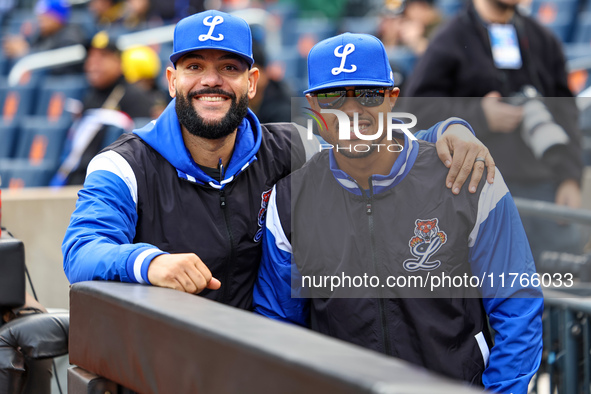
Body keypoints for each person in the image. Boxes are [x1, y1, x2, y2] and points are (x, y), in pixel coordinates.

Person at [62, 10, 495, 311]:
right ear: (172, 78)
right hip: (163, 367)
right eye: (195, 66)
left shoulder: (291, 147)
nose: (211, 80)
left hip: (257, 361)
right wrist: (149, 262)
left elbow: (368, 148)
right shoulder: (124, 164)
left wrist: (443, 132)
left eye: (229, 68)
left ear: (252, 83)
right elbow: (80, 252)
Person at [252, 33, 543, 394]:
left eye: (368, 94)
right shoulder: (290, 199)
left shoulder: (464, 174)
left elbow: (517, 305)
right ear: (313, 106)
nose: (351, 110)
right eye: (333, 96)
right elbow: (279, 328)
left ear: (392, 98)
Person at [403, 0, 584, 261]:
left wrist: (570, 177)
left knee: (563, 289)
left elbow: (567, 113)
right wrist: (480, 116)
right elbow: (419, 111)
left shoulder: (542, 38)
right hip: (480, 192)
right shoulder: (450, 39)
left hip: (547, 191)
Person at [50, 30, 158, 186]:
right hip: (75, 180)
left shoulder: (135, 96)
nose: (93, 63)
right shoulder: (89, 97)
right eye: (91, 57)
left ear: (119, 62)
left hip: (109, 184)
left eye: (102, 57)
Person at [2, 0, 86, 74]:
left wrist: (25, 53)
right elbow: (35, 49)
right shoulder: (42, 34)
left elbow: (59, 68)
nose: (40, 19)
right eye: (40, 15)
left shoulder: (71, 36)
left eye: (46, 15)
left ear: (57, 16)